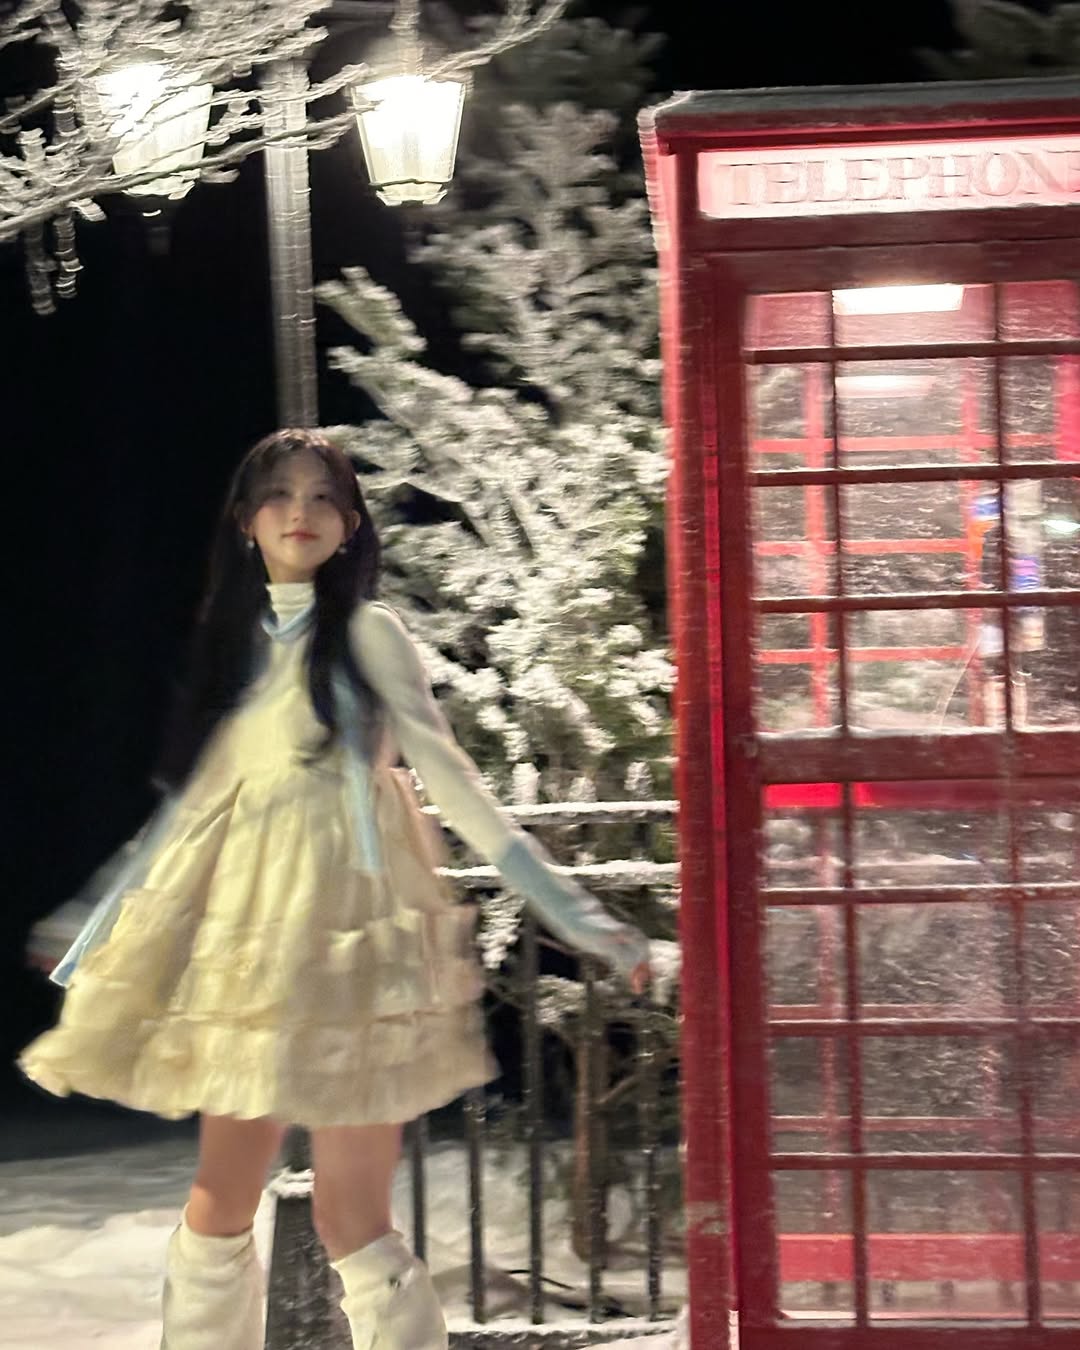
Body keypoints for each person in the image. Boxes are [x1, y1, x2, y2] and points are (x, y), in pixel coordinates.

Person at [19, 428, 651, 1350]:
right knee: (219, 1203)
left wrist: (584, 921)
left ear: (352, 525)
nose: (301, 513)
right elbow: (186, 813)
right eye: (280, 495)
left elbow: (459, 789)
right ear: (245, 521)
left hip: (358, 947)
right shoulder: (234, 646)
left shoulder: (368, 632)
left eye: (324, 497)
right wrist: (90, 920)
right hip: (254, 949)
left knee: (353, 1219)